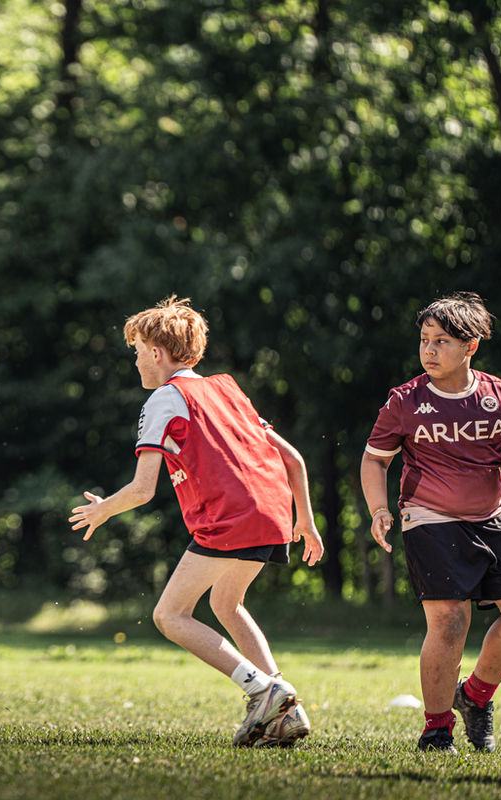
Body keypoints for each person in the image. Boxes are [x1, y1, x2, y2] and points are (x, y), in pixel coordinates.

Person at [69, 295, 324, 748]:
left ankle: (263, 690)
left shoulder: (166, 399)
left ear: (156, 353)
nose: (135, 362)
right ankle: (287, 709)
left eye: (136, 352)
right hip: (273, 513)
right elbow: (293, 458)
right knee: (228, 605)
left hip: (231, 519)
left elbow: (144, 489)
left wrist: (102, 509)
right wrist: (305, 519)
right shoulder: (228, 389)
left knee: (169, 614)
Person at [361, 291, 501, 754]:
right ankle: (437, 730)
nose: (429, 350)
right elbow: (374, 460)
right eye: (424, 340)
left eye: (441, 341)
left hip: (493, 515)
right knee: (449, 621)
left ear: (470, 346)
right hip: (429, 518)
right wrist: (380, 510)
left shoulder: (500, 393)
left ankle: (475, 698)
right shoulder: (405, 401)